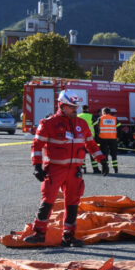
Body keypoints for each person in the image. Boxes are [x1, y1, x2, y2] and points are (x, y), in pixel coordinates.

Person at [24, 90, 108, 246]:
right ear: (61, 106)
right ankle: (39, 233)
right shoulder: (48, 123)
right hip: (54, 170)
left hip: (75, 171)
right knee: (47, 201)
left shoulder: (81, 124)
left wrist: (101, 160)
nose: (75, 110)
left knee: (72, 203)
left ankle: (68, 236)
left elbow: (90, 144)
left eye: (76, 107)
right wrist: (37, 165)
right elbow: (36, 145)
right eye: (71, 107)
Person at [96, 107, 120, 174]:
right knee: (114, 154)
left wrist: (97, 136)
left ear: (103, 112)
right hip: (113, 138)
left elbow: (96, 127)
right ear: (109, 112)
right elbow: (120, 128)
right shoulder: (114, 119)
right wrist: (118, 137)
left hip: (103, 139)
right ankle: (116, 169)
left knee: (104, 154)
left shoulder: (100, 118)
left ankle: (105, 169)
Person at [78, 105, 100, 174]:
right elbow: (96, 127)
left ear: (81, 109)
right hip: (90, 138)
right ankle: (95, 169)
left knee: (81, 154)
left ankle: (83, 169)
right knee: (92, 153)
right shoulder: (91, 116)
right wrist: (97, 136)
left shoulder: (78, 116)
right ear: (87, 109)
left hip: (80, 138)